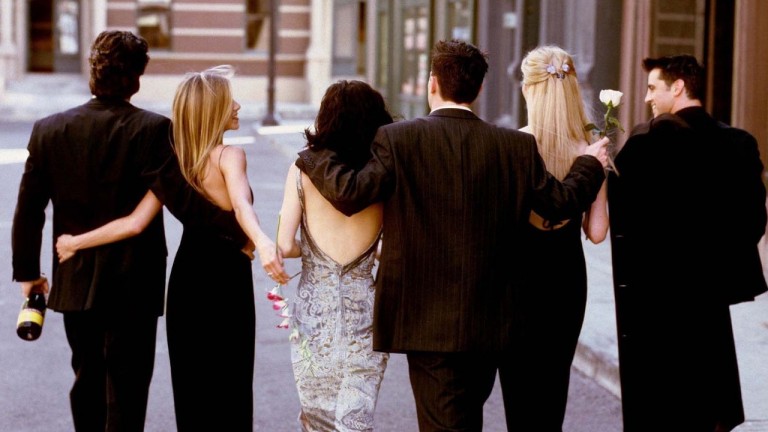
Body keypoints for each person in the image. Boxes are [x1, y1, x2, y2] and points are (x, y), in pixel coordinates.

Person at [295, 39, 609, 431]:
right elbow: (559, 203)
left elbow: (349, 193)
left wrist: (314, 152)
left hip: (424, 321)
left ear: (432, 83)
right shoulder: (514, 146)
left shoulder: (397, 139)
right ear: (479, 89)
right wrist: (588, 165)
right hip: (489, 320)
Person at [11, 31, 252, 432]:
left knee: (86, 379)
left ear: (93, 71)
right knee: (128, 389)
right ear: (137, 78)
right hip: (133, 283)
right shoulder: (152, 129)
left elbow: (29, 208)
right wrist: (240, 234)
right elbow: (182, 200)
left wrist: (27, 273)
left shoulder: (49, 130)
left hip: (76, 277)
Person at [54, 65, 288, 431]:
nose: (238, 106)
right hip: (227, 282)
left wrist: (75, 242)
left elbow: (134, 223)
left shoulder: (176, 165)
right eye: (230, 101)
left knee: (191, 389)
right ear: (212, 110)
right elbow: (242, 205)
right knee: (230, 385)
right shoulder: (230, 156)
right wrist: (262, 241)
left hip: (186, 284)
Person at [608, 54, 767, 432]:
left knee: (662, 408)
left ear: (677, 87)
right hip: (710, 303)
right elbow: (754, 222)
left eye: (652, 88)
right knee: (707, 407)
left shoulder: (647, 141)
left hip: (656, 304)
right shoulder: (739, 143)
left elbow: (622, 216)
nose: (647, 97)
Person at [276, 80, 394, 431]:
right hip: (367, 314)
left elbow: (285, 245)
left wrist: (311, 250)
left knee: (318, 418)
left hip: (314, 313)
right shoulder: (382, 176)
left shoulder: (302, 171)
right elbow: (388, 250)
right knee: (356, 418)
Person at [504, 45, 609, 431]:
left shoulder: (513, 145)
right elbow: (596, 232)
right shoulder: (590, 151)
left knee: (519, 391)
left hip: (518, 283)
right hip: (566, 283)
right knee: (553, 389)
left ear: (528, 89)